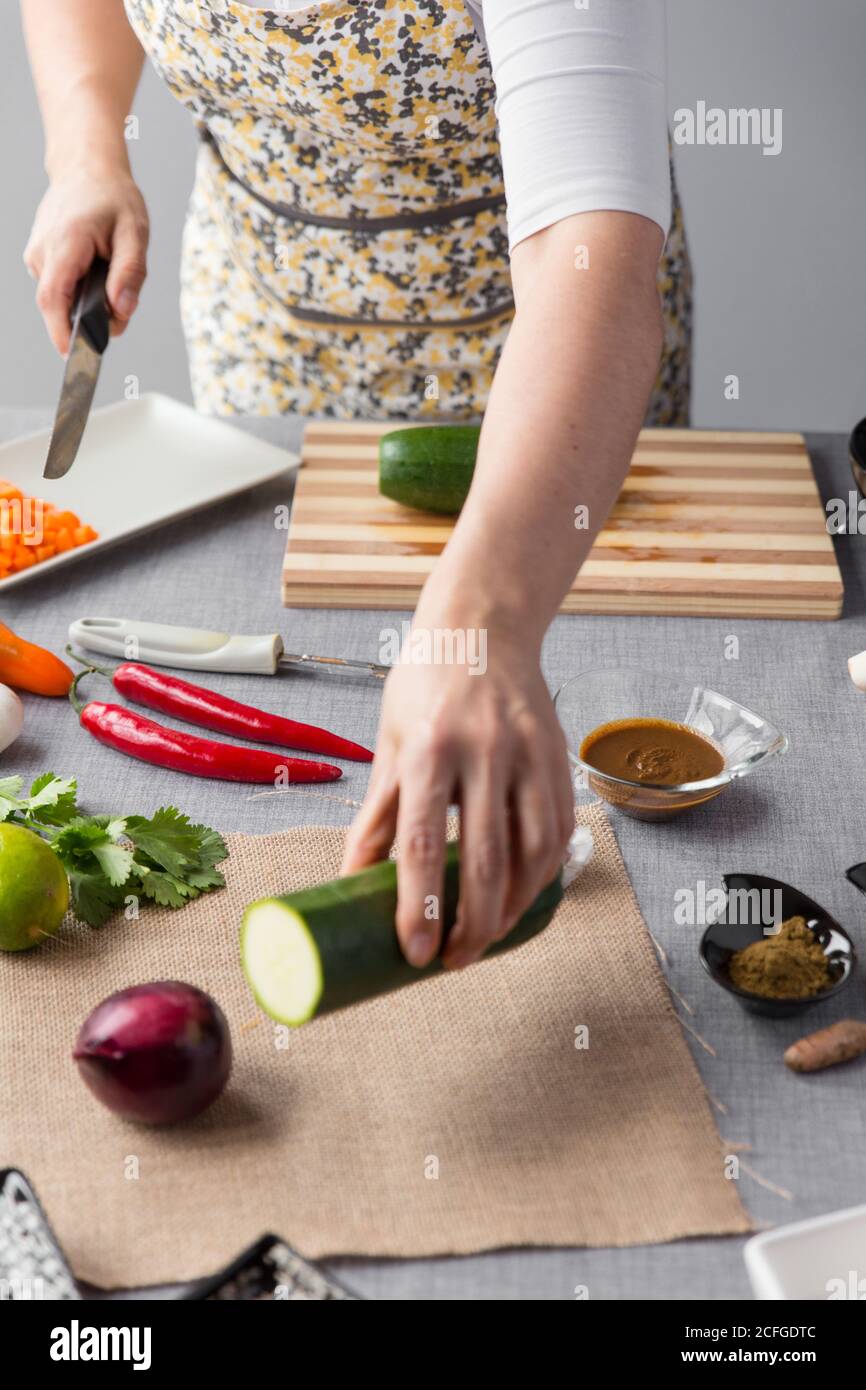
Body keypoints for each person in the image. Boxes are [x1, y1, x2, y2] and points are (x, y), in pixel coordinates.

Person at [22, 0, 691, 971]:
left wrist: (482, 623)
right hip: (265, 349)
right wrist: (86, 144)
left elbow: (591, 255)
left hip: (546, 402)